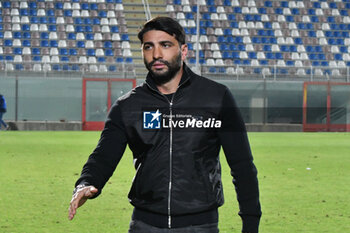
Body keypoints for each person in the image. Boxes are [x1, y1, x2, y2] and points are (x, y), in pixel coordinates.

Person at [69, 17, 261, 233]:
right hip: (144, 224)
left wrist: (251, 223)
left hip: (200, 225)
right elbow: (103, 156)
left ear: (184, 50)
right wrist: (86, 183)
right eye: (148, 47)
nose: (157, 54)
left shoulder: (217, 98)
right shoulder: (128, 106)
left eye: (166, 45)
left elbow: (242, 165)